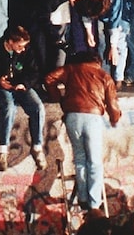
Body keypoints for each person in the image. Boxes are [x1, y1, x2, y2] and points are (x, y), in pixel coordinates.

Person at [44, 50, 122, 212]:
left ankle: (83, 198)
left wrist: (58, 97)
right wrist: (115, 118)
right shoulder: (103, 75)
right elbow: (112, 104)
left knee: (80, 159)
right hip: (92, 118)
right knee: (94, 162)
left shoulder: (70, 69)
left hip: (72, 117)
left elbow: (49, 78)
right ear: (97, 61)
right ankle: (94, 203)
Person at [0, 25, 47, 172]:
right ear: (10, 42)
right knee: (9, 107)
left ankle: (37, 147)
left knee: (38, 107)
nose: (23, 49)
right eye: (19, 46)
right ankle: (3, 149)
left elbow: (34, 72)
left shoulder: (27, 51)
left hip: (20, 86)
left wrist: (24, 84)